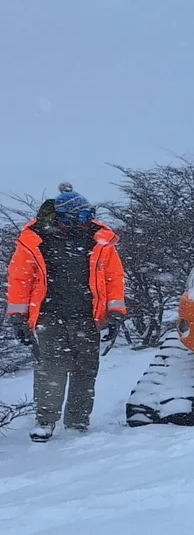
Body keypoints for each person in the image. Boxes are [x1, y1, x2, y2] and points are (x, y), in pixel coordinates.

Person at [6, 184, 127, 442]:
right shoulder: (35, 240)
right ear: (63, 218)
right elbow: (20, 280)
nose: (86, 221)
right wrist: (17, 317)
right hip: (49, 317)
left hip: (88, 317)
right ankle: (45, 420)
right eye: (81, 216)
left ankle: (78, 421)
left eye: (88, 215)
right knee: (51, 368)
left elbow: (114, 278)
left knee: (86, 370)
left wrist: (116, 313)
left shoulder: (100, 240)